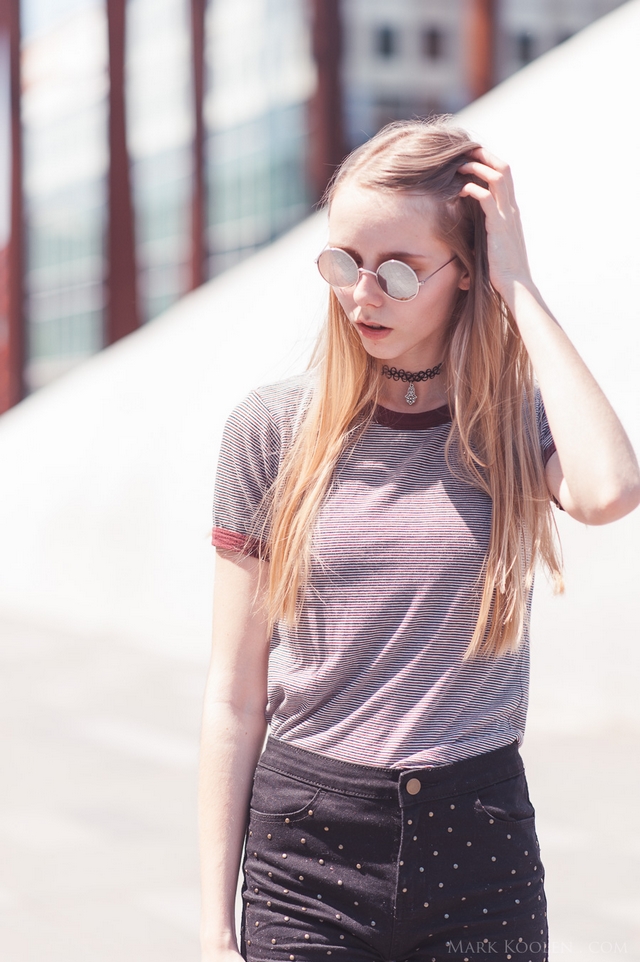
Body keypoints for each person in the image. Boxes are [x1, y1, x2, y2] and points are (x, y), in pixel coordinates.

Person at [198, 118, 640, 962]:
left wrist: (521, 288)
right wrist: (216, 929)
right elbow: (234, 693)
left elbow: (611, 490)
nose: (363, 296)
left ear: (463, 273)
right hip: (305, 847)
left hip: (478, 845)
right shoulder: (270, 430)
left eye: (398, 271)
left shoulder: (513, 423)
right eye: (343, 262)